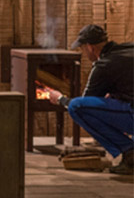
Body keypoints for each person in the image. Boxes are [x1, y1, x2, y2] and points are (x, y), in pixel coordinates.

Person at [48, 24, 134, 176]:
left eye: (82, 48)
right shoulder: (128, 49)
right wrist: (116, 95)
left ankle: (130, 153)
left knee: (76, 107)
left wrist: (60, 99)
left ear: (90, 47)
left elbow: (85, 104)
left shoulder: (103, 65)